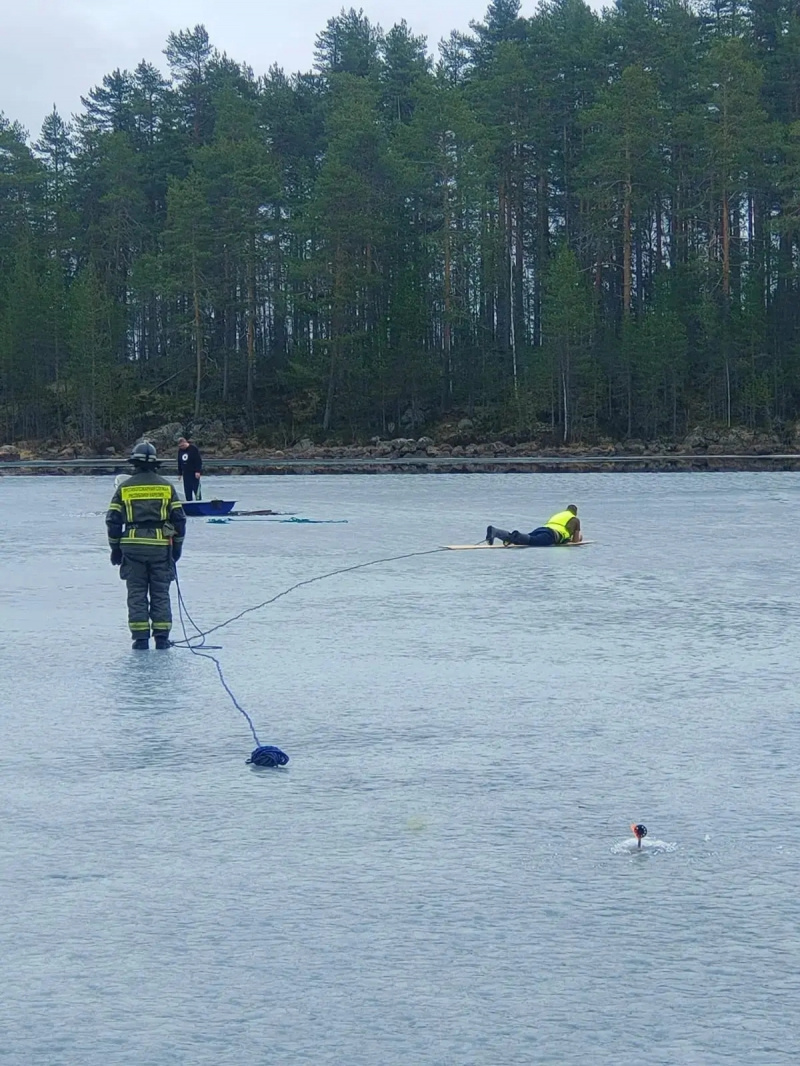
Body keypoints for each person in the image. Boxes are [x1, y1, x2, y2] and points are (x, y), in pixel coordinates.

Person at [106, 441, 186, 649]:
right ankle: (161, 638)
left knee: (136, 593)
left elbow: (113, 520)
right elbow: (177, 520)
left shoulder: (124, 488)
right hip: (161, 546)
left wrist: (115, 548)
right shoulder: (166, 487)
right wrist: (175, 547)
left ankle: (140, 638)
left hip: (132, 546)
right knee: (160, 592)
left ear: (134, 464)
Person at [486, 505, 582, 547]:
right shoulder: (575, 519)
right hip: (551, 536)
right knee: (530, 541)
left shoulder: (559, 514)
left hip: (542, 529)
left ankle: (496, 531)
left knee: (523, 539)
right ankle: (516, 535)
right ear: (575, 513)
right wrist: (579, 538)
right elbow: (576, 541)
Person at [177, 436, 203, 500]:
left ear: (185, 443)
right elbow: (179, 461)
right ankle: (189, 501)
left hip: (194, 473)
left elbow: (198, 460)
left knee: (196, 489)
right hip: (186, 473)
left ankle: (198, 501)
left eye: (182, 446)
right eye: (180, 446)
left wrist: (198, 471)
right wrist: (180, 473)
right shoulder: (180, 451)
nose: (181, 447)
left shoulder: (193, 449)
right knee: (187, 489)